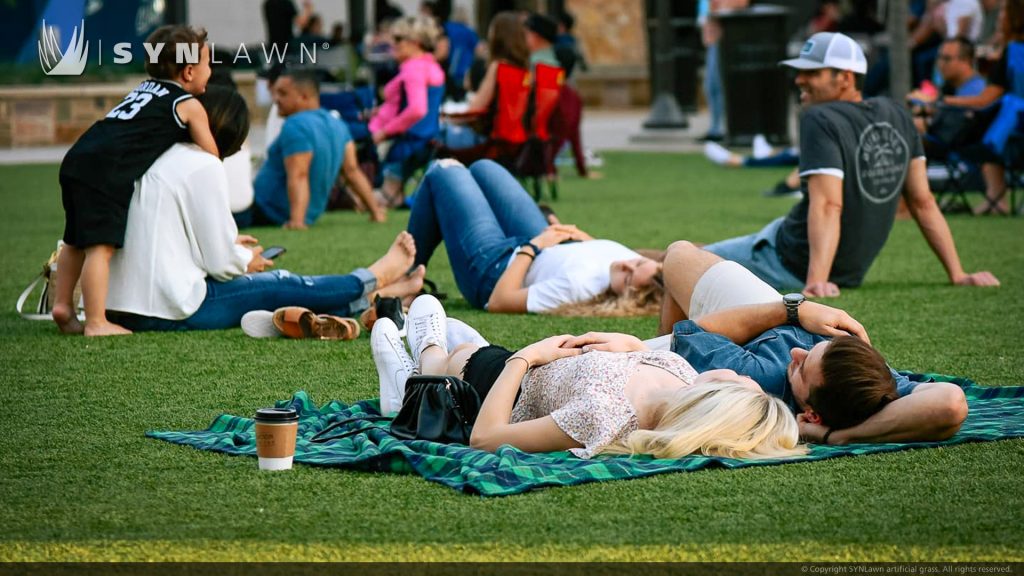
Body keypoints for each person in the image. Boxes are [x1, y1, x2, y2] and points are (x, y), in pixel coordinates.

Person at [694, 31, 999, 298]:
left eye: (812, 72)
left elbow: (829, 205)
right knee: (689, 256)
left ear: (846, 78)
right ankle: (646, 257)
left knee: (688, 261)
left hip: (784, 258)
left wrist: (816, 281)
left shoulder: (819, 117)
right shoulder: (897, 114)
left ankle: (651, 258)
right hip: (828, 267)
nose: (799, 79)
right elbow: (923, 201)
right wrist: (957, 274)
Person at [587, 241, 970, 446]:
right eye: (817, 347)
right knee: (678, 255)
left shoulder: (761, 376)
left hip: (747, 330)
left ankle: (662, 367)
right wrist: (844, 435)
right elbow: (951, 403)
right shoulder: (873, 387)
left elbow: (698, 329)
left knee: (677, 257)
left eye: (803, 369)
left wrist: (793, 310)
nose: (798, 352)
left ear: (811, 414)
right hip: (793, 329)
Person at [104, 87, 424, 332]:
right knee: (279, 283)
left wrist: (231, 248)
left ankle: (379, 298)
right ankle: (372, 278)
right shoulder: (202, 164)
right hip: (170, 310)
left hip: (124, 305)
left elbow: (168, 239)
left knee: (277, 295)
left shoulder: (157, 157)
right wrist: (245, 260)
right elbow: (219, 264)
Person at [370, 295, 806, 460]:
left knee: (457, 354)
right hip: (552, 365)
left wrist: (523, 359)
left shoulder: (606, 415)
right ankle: (422, 364)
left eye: (737, 382)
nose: (733, 369)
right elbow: (640, 352)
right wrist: (630, 344)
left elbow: (485, 439)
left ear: (710, 401)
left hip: (500, 388)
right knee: (462, 340)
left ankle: (417, 379)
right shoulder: (681, 374)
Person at [53, 25, 219, 337]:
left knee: (75, 238)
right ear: (188, 72)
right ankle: (96, 322)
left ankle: (62, 305)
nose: (210, 71)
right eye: (208, 64)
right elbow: (209, 157)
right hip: (107, 170)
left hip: (78, 158)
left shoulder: (142, 91)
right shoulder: (186, 105)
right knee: (100, 248)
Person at [407, 159, 663, 315]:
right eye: (637, 262)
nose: (625, 264)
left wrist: (533, 247)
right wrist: (575, 236)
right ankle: (410, 275)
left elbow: (499, 301)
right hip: (543, 243)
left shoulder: (579, 288)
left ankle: (407, 278)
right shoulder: (635, 264)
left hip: (496, 269)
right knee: (485, 168)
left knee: (445, 171)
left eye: (628, 277)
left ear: (628, 299)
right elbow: (596, 254)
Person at [239, 67, 384, 228]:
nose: (276, 99)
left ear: (304, 96)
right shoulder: (338, 124)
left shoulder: (296, 125)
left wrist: (297, 221)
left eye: (283, 93)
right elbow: (352, 171)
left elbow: (299, 174)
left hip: (267, 210)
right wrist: (375, 212)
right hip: (304, 213)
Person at [944, 0, 1024, 215]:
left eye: (1003, 14)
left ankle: (996, 198)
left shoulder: (1014, 52)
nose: (999, 19)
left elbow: (984, 100)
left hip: (1017, 130)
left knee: (983, 130)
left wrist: (943, 101)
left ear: (1013, 19)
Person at [368, 15, 446, 208]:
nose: (392, 44)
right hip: (426, 139)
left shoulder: (414, 69)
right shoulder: (432, 66)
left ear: (415, 43)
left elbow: (417, 109)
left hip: (407, 142)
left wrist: (384, 132)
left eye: (398, 39)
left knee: (382, 197)